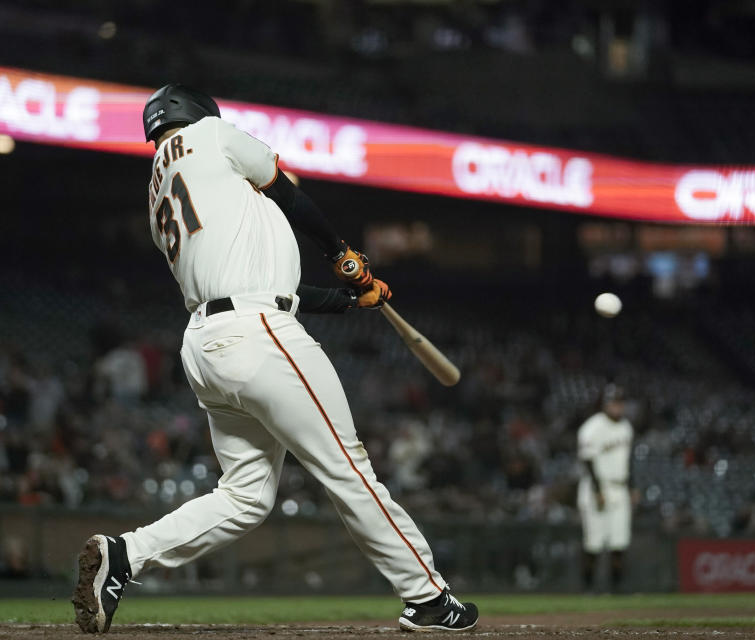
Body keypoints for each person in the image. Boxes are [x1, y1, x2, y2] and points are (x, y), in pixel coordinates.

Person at [71, 85, 478, 633]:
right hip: (259, 334)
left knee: (244, 496)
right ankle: (429, 598)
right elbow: (286, 191)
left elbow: (271, 286)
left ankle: (124, 555)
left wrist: (349, 300)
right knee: (347, 467)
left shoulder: (162, 191)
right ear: (198, 114)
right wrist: (341, 253)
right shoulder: (210, 135)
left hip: (208, 344)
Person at [577, 384, 634, 593]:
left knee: (619, 541)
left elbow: (629, 460)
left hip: (620, 488)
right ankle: (588, 589)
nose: (618, 406)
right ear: (605, 403)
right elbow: (587, 461)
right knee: (593, 542)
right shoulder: (592, 428)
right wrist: (597, 490)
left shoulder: (626, 427)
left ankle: (617, 590)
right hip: (597, 488)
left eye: (621, 402)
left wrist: (632, 486)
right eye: (614, 402)